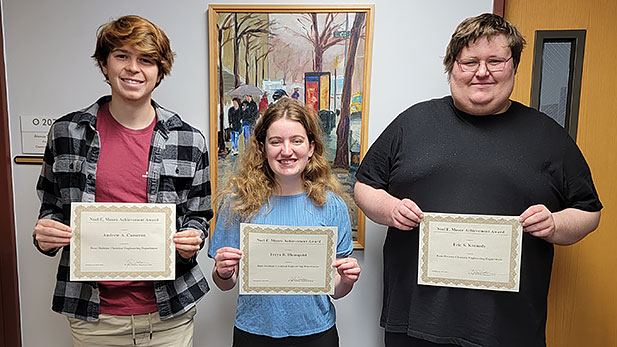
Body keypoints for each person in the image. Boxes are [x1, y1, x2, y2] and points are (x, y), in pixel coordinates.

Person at [354, 13, 602, 347]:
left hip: (508, 327)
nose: (481, 72)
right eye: (469, 61)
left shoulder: (548, 136)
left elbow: (589, 212)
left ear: (513, 65)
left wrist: (556, 224)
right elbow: (365, 186)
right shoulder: (411, 123)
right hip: (415, 323)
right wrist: (389, 209)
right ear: (451, 67)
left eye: (495, 61)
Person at [32, 15, 212, 346]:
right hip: (94, 315)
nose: (133, 68)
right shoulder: (66, 133)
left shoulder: (190, 140)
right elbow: (52, 207)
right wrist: (45, 235)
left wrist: (193, 239)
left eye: (146, 60)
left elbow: (199, 216)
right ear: (104, 63)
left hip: (169, 314)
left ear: (160, 72)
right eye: (122, 56)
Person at [209, 97, 361, 347]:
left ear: (311, 147)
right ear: (263, 148)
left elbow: (335, 290)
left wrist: (346, 280)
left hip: (316, 335)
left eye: (296, 141)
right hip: (253, 334)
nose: (286, 151)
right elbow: (225, 283)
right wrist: (223, 272)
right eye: (276, 142)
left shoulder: (332, 206)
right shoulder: (238, 202)